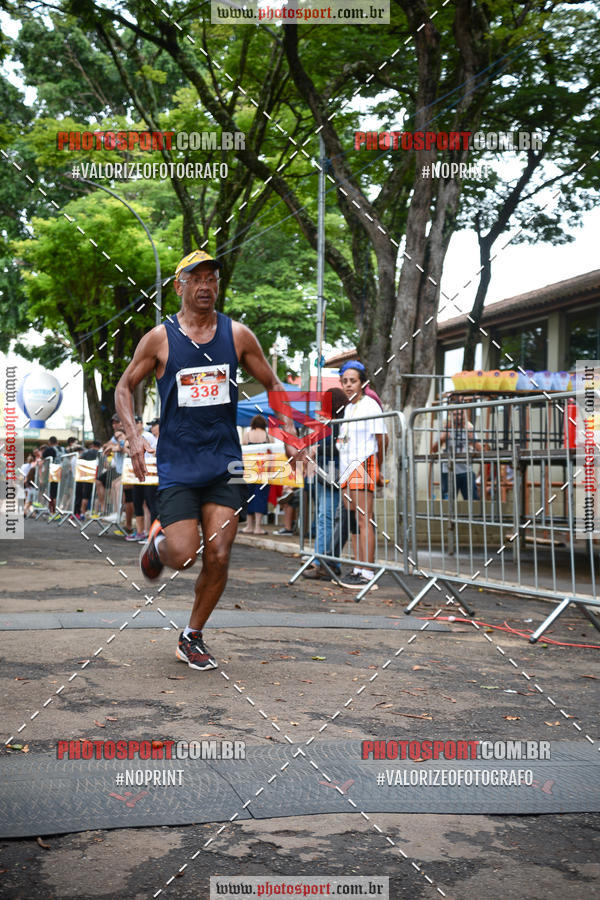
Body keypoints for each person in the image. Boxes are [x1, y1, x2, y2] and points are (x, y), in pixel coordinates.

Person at [115, 249, 297, 671]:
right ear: (179, 286)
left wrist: (288, 434)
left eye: (212, 279)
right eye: (196, 279)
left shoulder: (237, 335)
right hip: (179, 463)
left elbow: (273, 383)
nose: (205, 287)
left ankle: (192, 635)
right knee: (184, 555)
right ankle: (158, 547)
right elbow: (125, 387)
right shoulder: (160, 339)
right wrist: (133, 437)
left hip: (224, 463)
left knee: (219, 552)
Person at [335, 361, 387, 590]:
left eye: (352, 381)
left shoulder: (370, 406)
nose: (348, 385)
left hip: (363, 464)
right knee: (354, 519)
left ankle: (367, 571)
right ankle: (358, 567)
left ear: (363, 383)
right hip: (347, 468)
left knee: (365, 519)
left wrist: (376, 466)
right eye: (344, 381)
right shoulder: (347, 408)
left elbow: (382, 439)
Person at [302, 387, 348, 580]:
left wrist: (317, 449)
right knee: (325, 518)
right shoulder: (330, 422)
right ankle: (324, 560)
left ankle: (323, 562)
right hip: (324, 474)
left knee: (326, 518)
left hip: (333, 474)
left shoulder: (341, 423)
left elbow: (340, 447)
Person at [431, 408, 482, 500]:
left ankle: (471, 515)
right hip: (448, 471)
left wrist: (472, 440)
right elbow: (433, 450)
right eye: (454, 414)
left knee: (472, 502)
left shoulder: (469, 428)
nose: (457, 417)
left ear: (464, 416)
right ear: (450, 416)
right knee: (447, 503)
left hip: (466, 471)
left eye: (460, 414)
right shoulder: (444, 428)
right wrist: (442, 439)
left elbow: (480, 450)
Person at [124, 416, 158, 542]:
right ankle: (141, 532)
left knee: (150, 503)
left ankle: (151, 533)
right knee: (138, 502)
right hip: (140, 472)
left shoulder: (147, 436)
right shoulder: (137, 436)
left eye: (136, 423)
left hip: (150, 473)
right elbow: (127, 447)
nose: (153, 427)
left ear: (140, 424)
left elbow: (152, 452)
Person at [241, 414, 272, 535]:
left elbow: (242, 453)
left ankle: (249, 526)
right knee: (261, 497)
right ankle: (258, 527)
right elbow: (272, 455)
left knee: (248, 497)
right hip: (263, 471)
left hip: (249, 471)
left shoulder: (247, 435)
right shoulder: (268, 436)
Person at [42, 436, 61, 515]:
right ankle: (58, 511)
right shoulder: (63, 449)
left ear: (49, 443)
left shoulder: (49, 450)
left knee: (53, 494)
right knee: (60, 494)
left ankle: (53, 512)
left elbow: (43, 460)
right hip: (64, 474)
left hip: (54, 475)